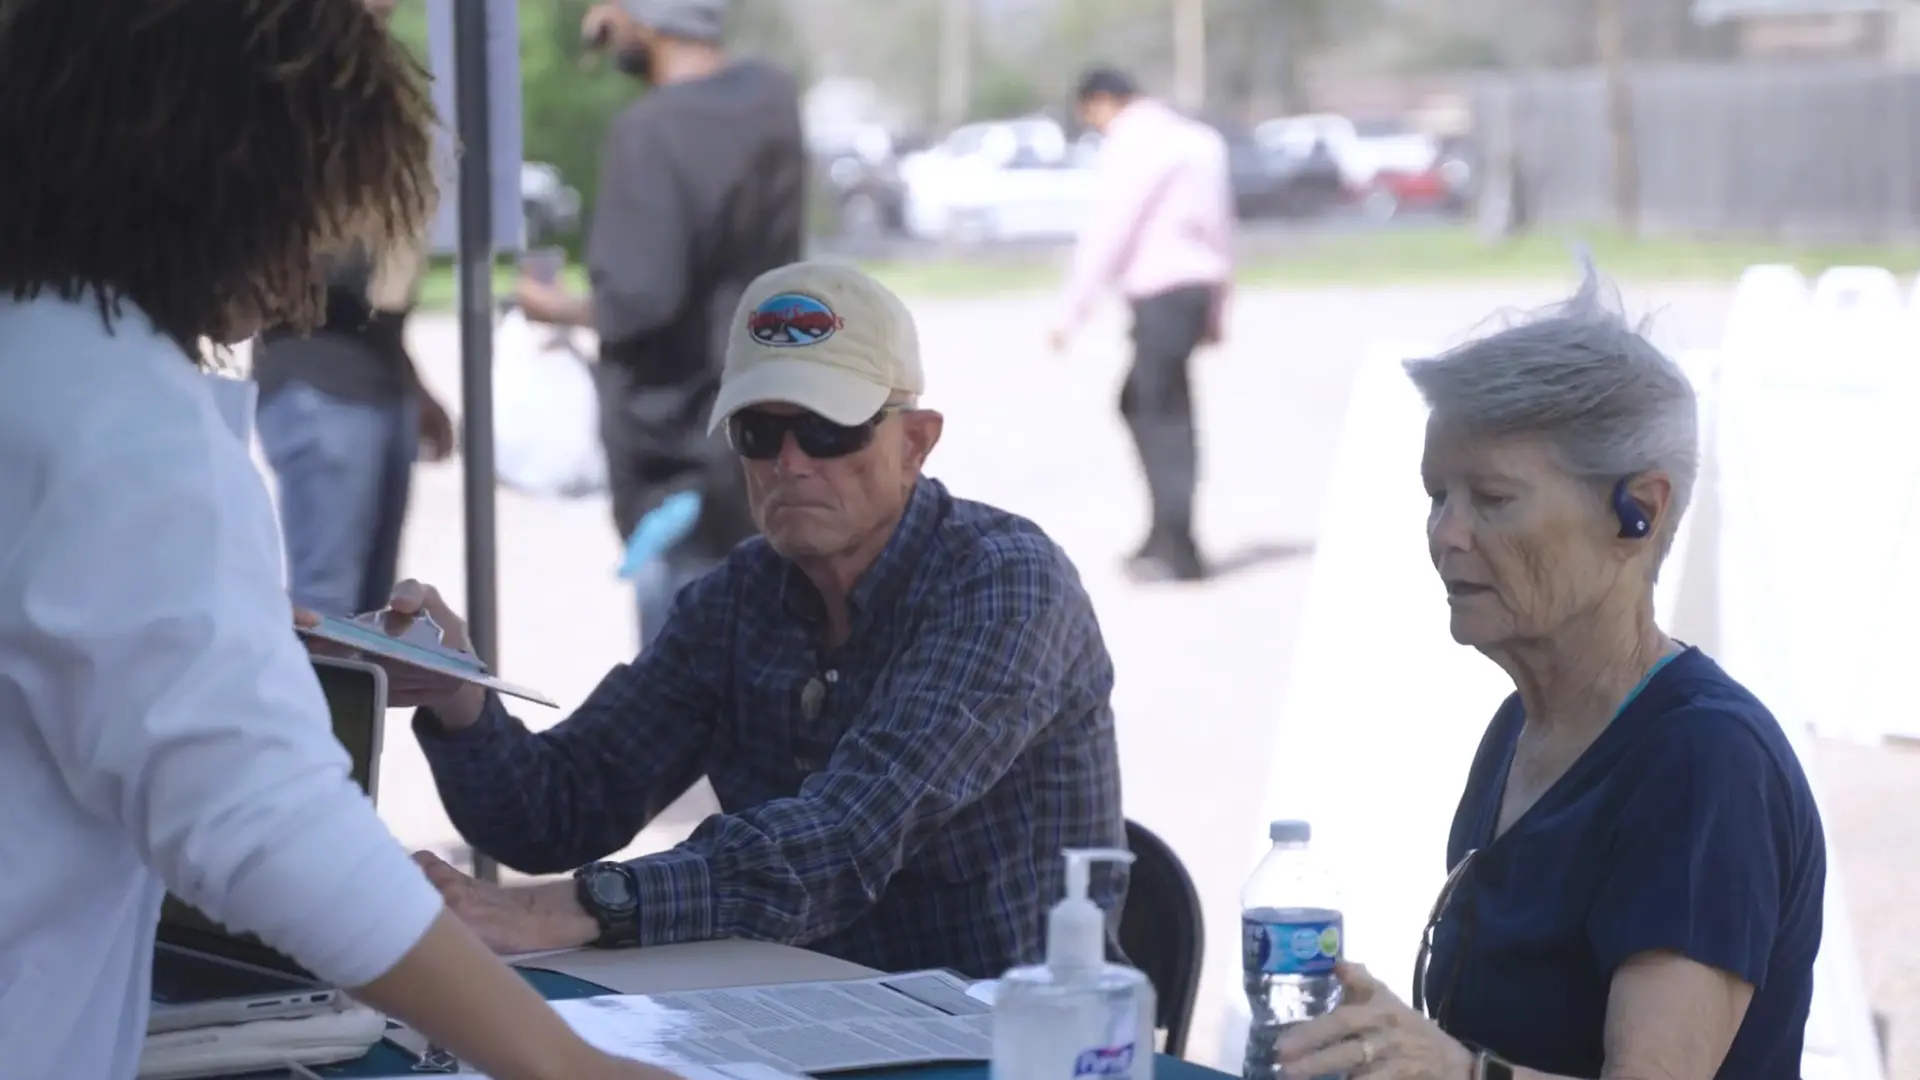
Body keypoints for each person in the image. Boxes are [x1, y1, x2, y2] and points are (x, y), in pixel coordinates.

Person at [0, 3, 681, 1078]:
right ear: (215, 176)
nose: (307, 282)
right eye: (309, 213)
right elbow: (262, 824)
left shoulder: (35, 358)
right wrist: (571, 1067)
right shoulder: (116, 407)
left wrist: (200, 629)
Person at [352, 261, 1127, 979]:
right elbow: (560, 809)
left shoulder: (1004, 580)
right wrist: (459, 697)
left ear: (915, 444)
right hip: (790, 1024)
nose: (791, 462)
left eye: (830, 429)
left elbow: (842, 839)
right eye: (761, 431)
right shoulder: (739, 595)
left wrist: (559, 909)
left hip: (1009, 1037)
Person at [1274, 271, 1824, 1080]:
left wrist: (1457, 1073)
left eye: (1492, 499)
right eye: (1436, 496)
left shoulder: (1704, 762)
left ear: (1639, 510)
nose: (1446, 534)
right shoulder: (1527, 724)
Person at [516, 0, 806, 648]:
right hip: (755, 436)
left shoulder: (650, 130)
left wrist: (554, 306)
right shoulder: (772, 102)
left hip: (674, 467)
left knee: (680, 701)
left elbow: (640, 300)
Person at [1049, 65, 1235, 584]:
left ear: (1103, 102)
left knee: (1161, 414)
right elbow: (1222, 230)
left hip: (1162, 293)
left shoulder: (1134, 142)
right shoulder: (1198, 141)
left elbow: (1111, 227)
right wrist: (1219, 307)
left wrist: (1071, 311)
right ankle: (1166, 534)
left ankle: (1179, 548)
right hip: (1193, 292)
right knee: (1146, 404)